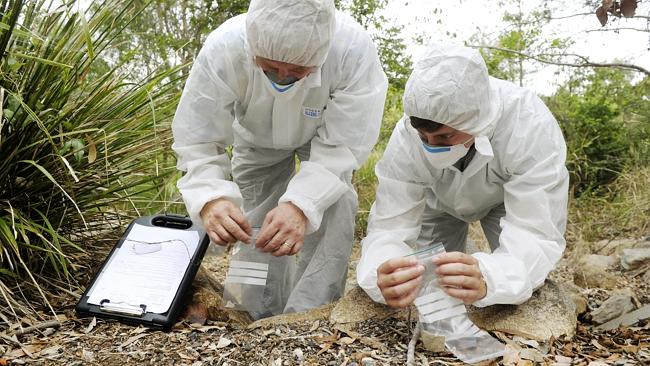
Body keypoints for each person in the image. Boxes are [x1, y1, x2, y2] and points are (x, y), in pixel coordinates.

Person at [172, 0, 388, 318]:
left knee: (334, 205)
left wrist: (301, 205)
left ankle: (312, 314)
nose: (284, 77)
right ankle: (253, 312)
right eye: (270, 67)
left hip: (324, 138)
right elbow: (198, 136)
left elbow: (344, 146)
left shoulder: (352, 50)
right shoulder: (225, 47)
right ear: (252, 44)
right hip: (256, 138)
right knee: (255, 219)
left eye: (299, 70)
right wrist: (211, 198)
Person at [356, 43, 569, 309]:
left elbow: (535, 231)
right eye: (424, 137)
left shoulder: (529, 125)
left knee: (509, 292)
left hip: (503, 201)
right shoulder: (405, 137)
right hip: (437, 199)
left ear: (477, 121)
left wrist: (491, 277)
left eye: (445, 136)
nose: (432, 146)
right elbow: (389, 225)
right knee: (428, 290)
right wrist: (383, 271)